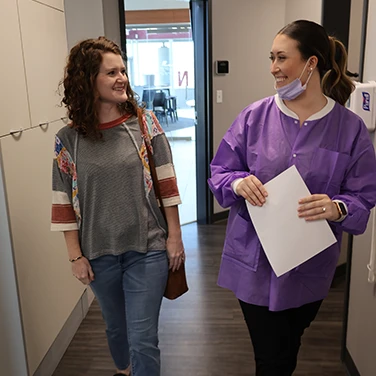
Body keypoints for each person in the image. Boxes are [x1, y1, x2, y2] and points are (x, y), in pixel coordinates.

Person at [208, 20, 376, 375]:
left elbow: (363, 195)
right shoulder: (254, 117)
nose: (273, 67)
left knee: (288, 346)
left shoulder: (350, 129)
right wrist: (239, 184)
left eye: (281, 57)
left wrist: (336, 207)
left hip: (310, 269)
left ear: (311, 63)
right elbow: (220, 171)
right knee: (272, 359)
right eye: (272, 57)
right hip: (254, 265)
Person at [51, 37, 185, 376]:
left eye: (123, 70)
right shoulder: (69, 140)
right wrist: (74, 256)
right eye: (111, 72)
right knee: (116, 329)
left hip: (148, 248)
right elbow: (62, 201)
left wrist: (174, 237)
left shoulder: (145, 126)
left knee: (143, 338)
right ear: (88, 80)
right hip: (98, 253)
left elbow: (168, 186)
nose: (121, 78)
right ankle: (125, 370)